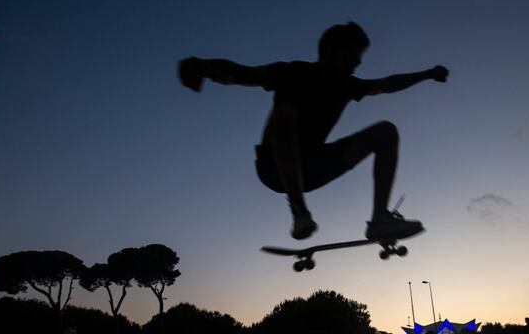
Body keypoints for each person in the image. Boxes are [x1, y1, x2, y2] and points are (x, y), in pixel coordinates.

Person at [178, 22, 448, 240]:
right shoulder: (292, 73)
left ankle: (379, 220)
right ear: (328, 52)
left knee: (386, 132)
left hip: (315, 167)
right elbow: (242, 74)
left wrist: (427, 73)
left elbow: (388, 84)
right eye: (350, 57)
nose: (356, 64)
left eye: (358, 60)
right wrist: (203, 67)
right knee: (286, 113)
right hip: (274, 169)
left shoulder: (348, 86)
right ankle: (299, 211)